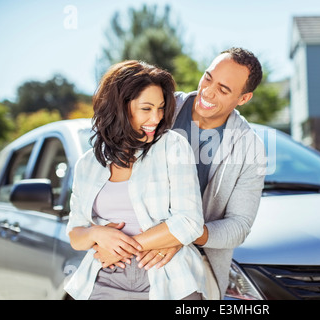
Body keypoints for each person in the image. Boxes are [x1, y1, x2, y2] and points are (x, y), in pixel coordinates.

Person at [64, 60, 206, 300]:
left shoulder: (172, 146)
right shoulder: (87, 164)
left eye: (160, 108)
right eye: (146, 108)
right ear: (119, 108)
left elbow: (190, 222)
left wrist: (124, 248)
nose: (156, 118)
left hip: (168, 278)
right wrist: (97, 234)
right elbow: (75, 234)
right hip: (105, 278)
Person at [136, 47, 267, 299]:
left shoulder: (250, 147)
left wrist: (182, 234)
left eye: (224, 89)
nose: (208, 91)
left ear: (244, 98)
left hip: (194, 262)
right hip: (133, 245)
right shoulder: (160, 108)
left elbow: (239, 225)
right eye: (208, 78)